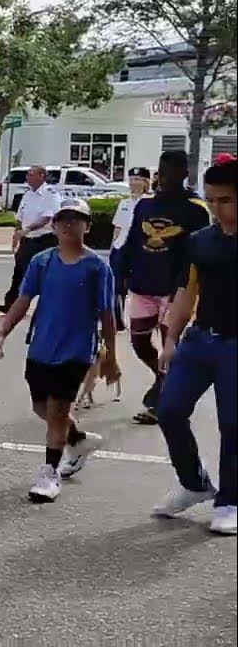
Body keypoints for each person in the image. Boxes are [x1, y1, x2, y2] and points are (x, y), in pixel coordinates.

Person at [0, 198, 117, 503]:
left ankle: (49, 473)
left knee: (58, 411)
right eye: (63, 220)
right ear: (54, 225)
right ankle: (78, 440)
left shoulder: (98, 267)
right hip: (42, 347)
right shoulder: (42, 262)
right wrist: (2, 333)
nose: (69, 225)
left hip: (76, 351)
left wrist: (111, 357)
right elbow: (23, 300)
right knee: (42, 409)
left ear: (87, 226)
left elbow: (107, 315)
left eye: (76, 220)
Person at [151, 154, 236, 535]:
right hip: (199, 340)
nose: (217, 208)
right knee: (169, 410)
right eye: (212, 200)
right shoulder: (200, 241)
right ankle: (194, 483)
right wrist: (170, 338)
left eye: (226, 200)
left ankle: (231, 500)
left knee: (233, 425)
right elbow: (187, 291)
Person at [119, 150, 211, 425]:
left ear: (184, 174)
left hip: (174, 290)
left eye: (172, 172)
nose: (165, 177)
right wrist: (121, 273)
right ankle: (161, 378)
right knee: (138, 340)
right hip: (142, 284)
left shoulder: (196, 209)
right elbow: (133, 241)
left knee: (169, 344)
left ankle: (162, 401)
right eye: (162, 171)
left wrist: (184, 286)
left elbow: (197, 253)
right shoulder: (145, 206)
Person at [0, 166, 61, 313]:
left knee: (44, 276)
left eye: (31, 175)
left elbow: (47, 218)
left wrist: (27, 230)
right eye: (28, 175)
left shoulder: (50, 195)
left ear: (42, 176)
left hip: (44, 240)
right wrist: (17, 234)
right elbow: (20, 217)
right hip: (27, 240)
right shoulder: (27, 195)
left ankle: (48, 306)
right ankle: (11, 304)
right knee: (19, 272)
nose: (28, 177)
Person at [110, 166, 153, 331]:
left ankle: (143, 319)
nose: (133, 183)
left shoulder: (150, 203)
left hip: (140, 249)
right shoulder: (125, 203)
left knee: (137, 286)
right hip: (121, 247)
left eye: (138, 179)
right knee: (116, 285)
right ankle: (117, 320)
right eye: (132, 179)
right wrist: (113, 247)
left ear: (146, 182)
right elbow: (117, 228)